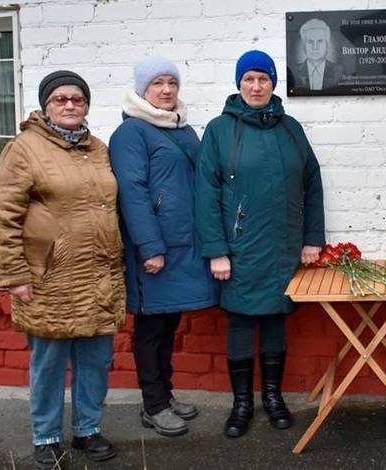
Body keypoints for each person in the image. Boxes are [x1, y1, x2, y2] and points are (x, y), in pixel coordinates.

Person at [0, 70, 125, 468]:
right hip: (50, 278)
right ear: (46, 106)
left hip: (99, 275)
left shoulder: (98, 148)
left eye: (77, 99)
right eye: (60, 99)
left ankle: (87, 429)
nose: (69, 105)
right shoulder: (24, 149)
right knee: (48, 363)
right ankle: (46, 436)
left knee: (95, 360)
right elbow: (3, 216)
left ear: (86, 105)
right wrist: (14, 275)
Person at [195, 50, 325, 438]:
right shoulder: (219, 130)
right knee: (240, 319)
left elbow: (312, 183)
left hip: (283, 245)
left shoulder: (291, 128)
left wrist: (312, 239)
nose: (256, 86)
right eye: (249, 79)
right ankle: (242, 404)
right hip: (239, 248)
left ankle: (272, 397)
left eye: (263, 79)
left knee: (274, 318)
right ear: (239, 84)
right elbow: (206, 193)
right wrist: (217, 250)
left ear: (273, 84)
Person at [109, 57, 219, 437]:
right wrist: (150, 246)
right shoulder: (131, 133)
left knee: (169, 323)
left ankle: (165, 395)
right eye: (157, 83)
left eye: (172, 82)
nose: (167, 90)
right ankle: (153, 404)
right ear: (143, 90)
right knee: (151, 327)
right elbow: (132, 192)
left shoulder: (182, 130)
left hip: (182, 248)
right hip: (155, 251)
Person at [293, 18, 344, 90]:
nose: (315, 47)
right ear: (304, 46)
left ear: (327, 45)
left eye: (320, 41)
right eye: (310, 42)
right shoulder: (294, 71)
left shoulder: (339, 72)